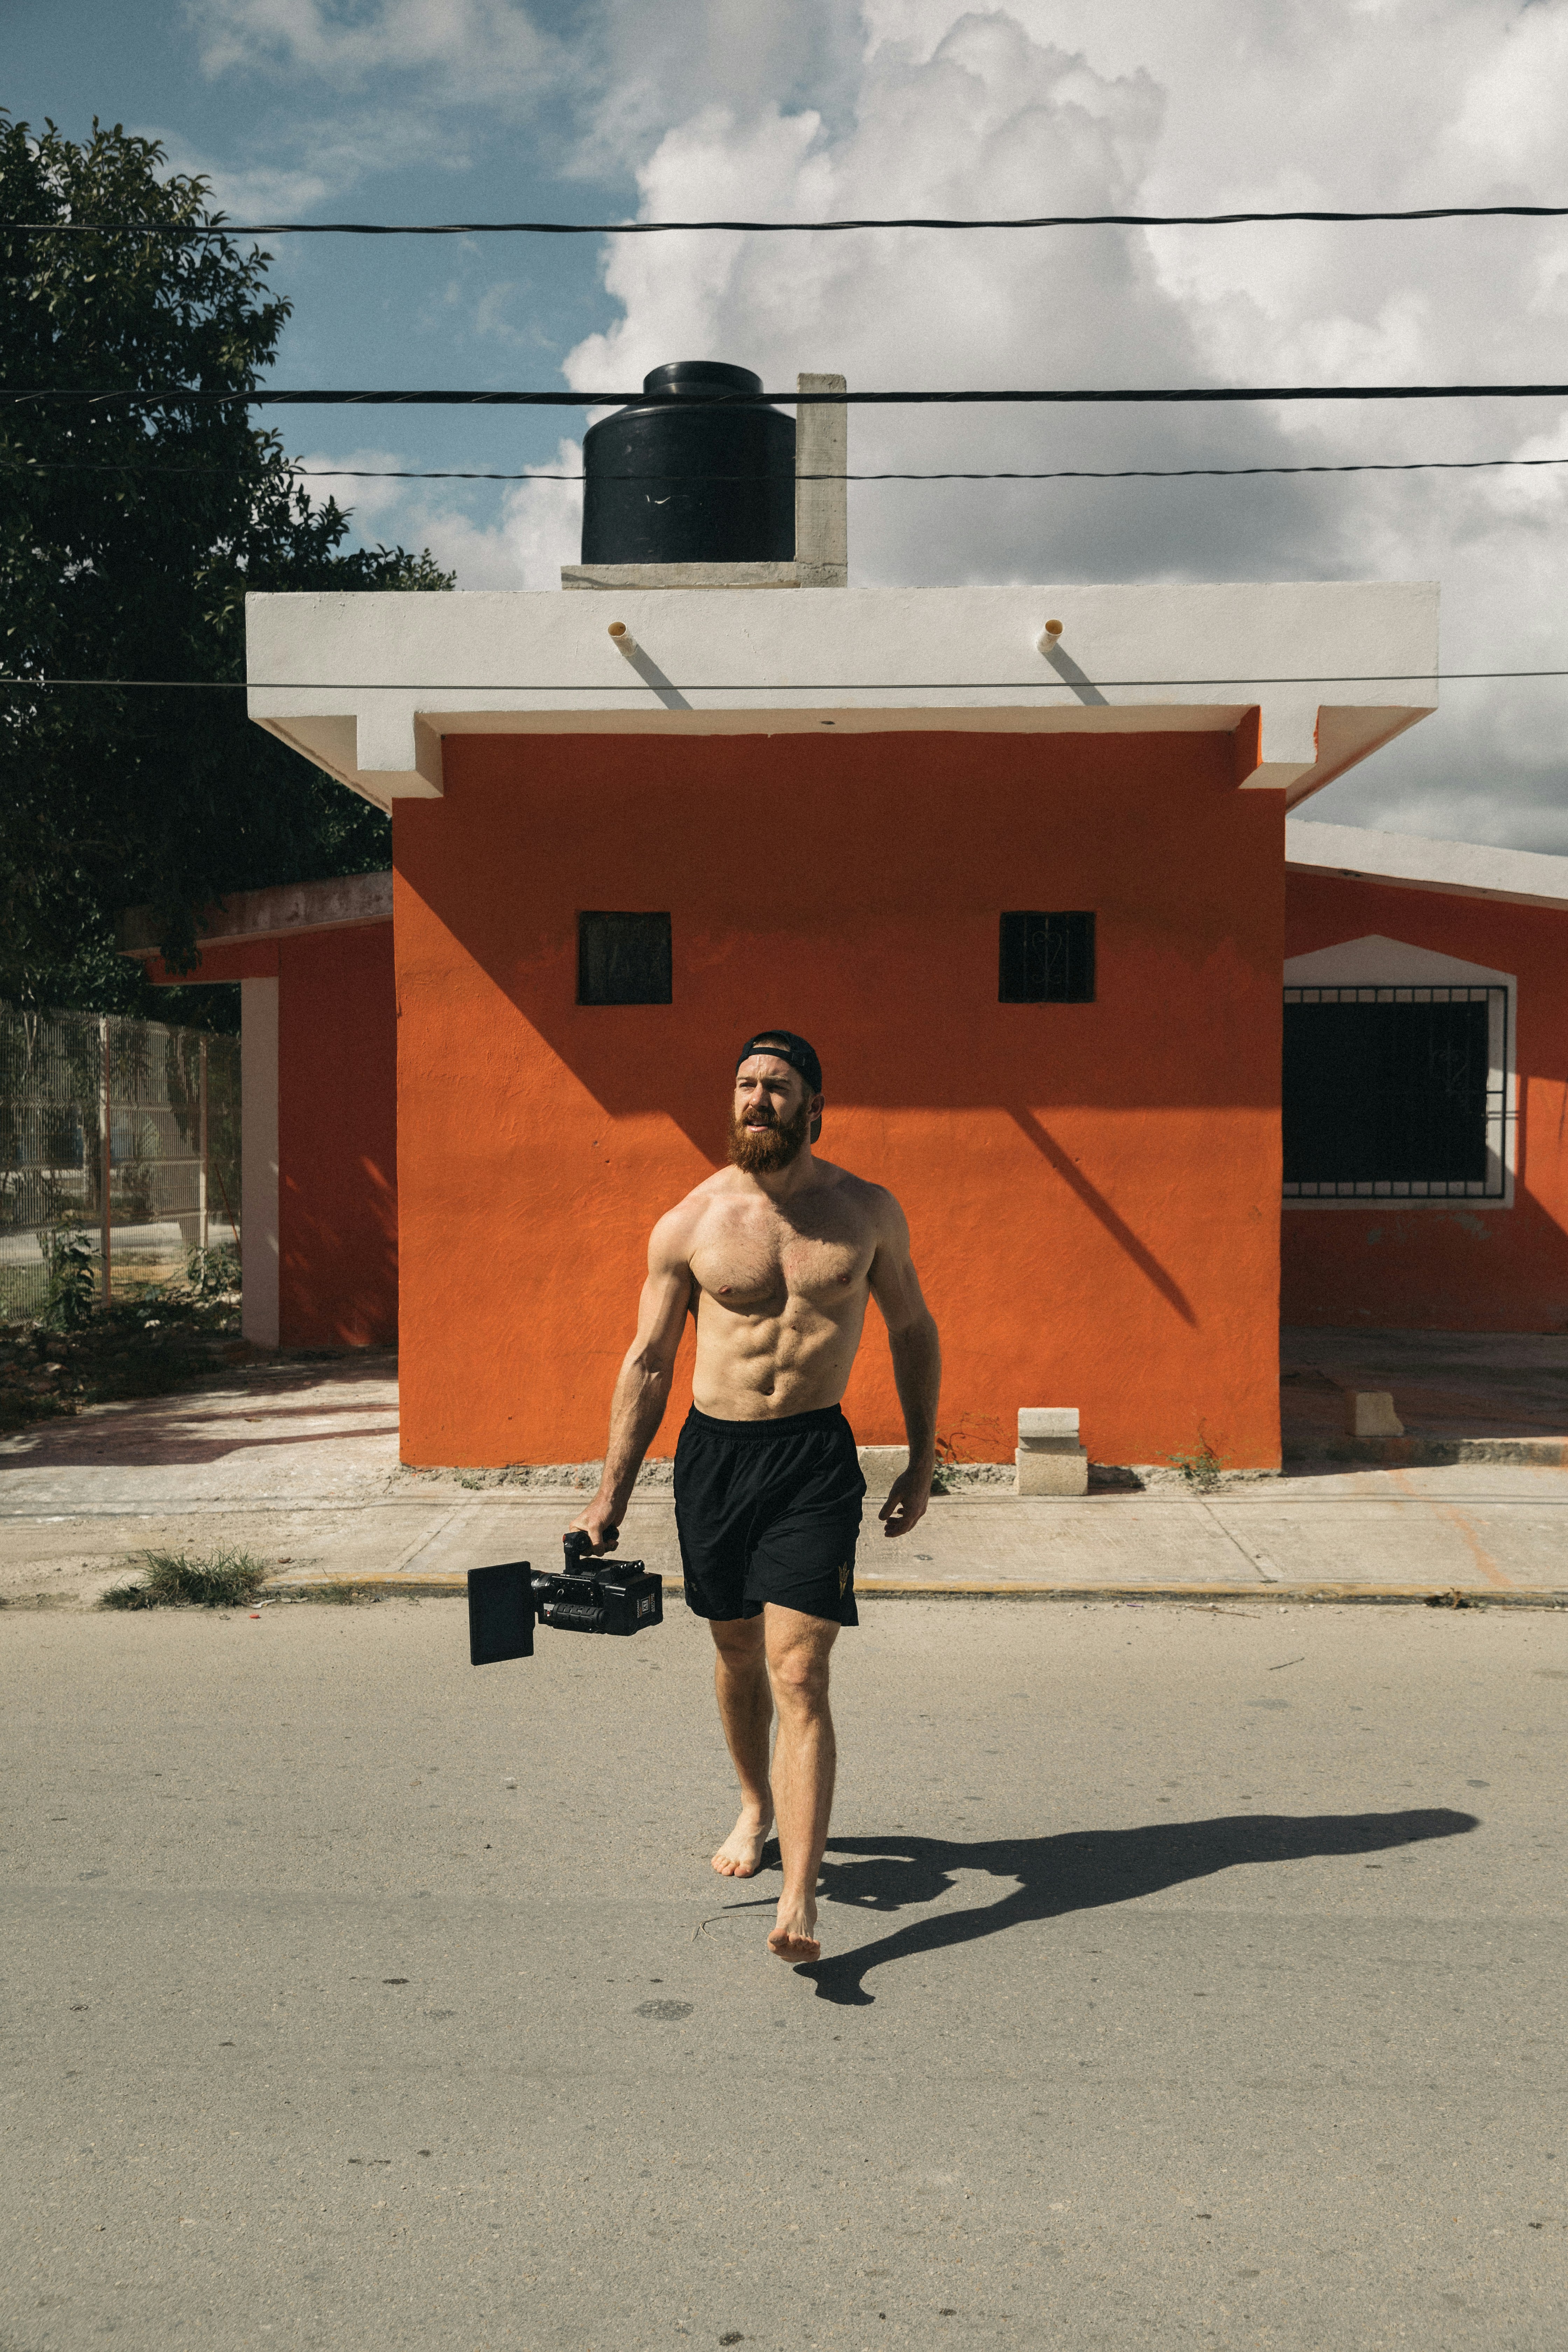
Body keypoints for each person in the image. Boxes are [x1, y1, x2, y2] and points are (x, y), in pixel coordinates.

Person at [568, 1030, 941, 1963]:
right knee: (737, 1656)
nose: (757, 1101)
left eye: (777, 1087)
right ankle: (753, 1803)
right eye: (744, 1086)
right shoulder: (690, 1222)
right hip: (716, 1461)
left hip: (813, 1460)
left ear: (815, 1104)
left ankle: (800, 1899)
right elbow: (650, 1362)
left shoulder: (865, 1212)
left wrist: (923, 1462)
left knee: (800, 1675)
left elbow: (913, 1333)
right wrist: (608, 1494)